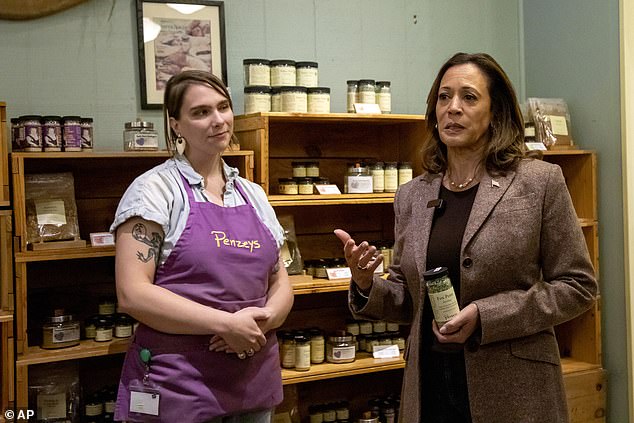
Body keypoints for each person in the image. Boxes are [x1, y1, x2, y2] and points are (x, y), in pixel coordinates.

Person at [335, 52, 597, 423]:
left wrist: (486, 316)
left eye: (469, 97)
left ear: (496, 113)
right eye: (444, 97)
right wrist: (365, 285)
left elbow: (578, 286)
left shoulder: (538, 182)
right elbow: (408, 299)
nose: (452, 108)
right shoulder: (411, 195)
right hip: (430, 391)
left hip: (515, 393)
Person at [112, 70, 294, 422]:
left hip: (251, 381)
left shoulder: (253, 195)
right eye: (200, 112)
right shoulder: (154, 191)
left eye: (223, 107)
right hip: (180, 384)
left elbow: (280, 278)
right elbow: (132, 293)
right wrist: (226, 325)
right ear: (176, 124)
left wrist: (264, 320)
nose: (218, 120)